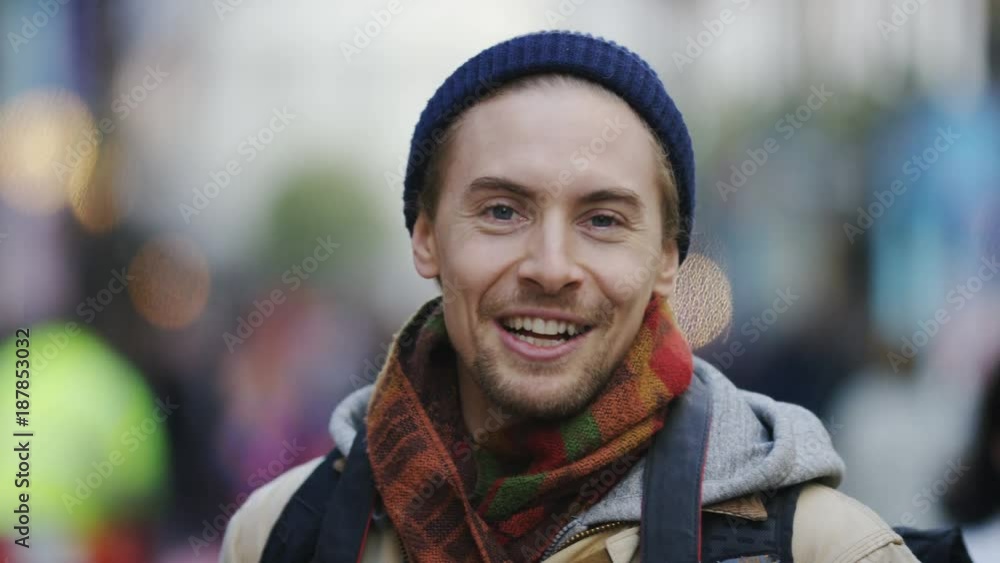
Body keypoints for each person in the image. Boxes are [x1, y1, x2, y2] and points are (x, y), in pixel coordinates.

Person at [220, 31, 918, 562]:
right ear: (427, 236)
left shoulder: (828, 549)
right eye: (501, 211)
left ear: (667, 260)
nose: (551, 267)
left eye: (603, 220)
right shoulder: (284, 532)